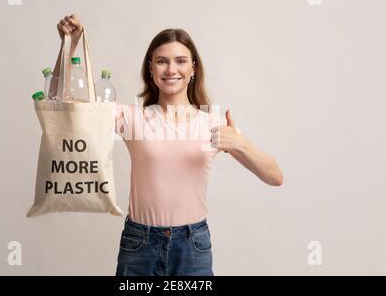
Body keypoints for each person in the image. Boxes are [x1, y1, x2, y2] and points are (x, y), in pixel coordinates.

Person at [53, 14, 284, 276]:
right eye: (162, 61)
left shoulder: (214, 123)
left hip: (192, 247)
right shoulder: (132, 118)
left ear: (193, 68)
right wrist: (70, 45)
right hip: (139, 244)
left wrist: (241, 144)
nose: (171, 69)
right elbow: (66, 107)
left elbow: (275, 177)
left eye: (181, 61)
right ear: (150, 69)